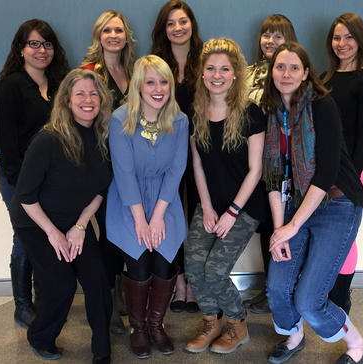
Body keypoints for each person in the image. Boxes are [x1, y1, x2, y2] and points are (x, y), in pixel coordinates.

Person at [262, 42, 363, 364]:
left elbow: (323, 174)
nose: (286, 73)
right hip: (296, 204)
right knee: (277, 288)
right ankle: (294, 337)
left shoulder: (321, 106)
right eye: (280, 66)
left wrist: (291, 227)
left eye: (294, 67)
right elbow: (271, 174)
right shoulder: (272, 113)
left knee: (309, 299)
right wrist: (280, 228)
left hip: (337, 205)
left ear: (306, 73)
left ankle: (358, 344)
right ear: (272, 71)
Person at [9, 69, 113, 364]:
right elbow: (26, 197)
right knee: (61, 284)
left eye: (93, 94)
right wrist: (54, 234)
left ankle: (102, 351)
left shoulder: (103, 137)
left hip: (74, 220)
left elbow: (102, 189)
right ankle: (40, 337)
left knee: (97, 280)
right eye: (80, 93)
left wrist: (80, 226)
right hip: (36, 221)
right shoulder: (48, 139)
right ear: (67, 99)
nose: (88, 100)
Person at [184, 38, 267, 354]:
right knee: (194, 266)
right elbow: (197, 164)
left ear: (235, 74)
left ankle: (237, 324)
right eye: (210, 68)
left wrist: (231, 211)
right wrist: (206, 207)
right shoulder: (196, 112)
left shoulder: (250, 112)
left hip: (244, 207)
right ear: (202, 73)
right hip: (209, 203)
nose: (217, 75)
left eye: (224, 69)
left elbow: (255, 171)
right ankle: (210, 322)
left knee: (215, 270)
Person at [106, 55, 188, 358]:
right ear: (138, 86)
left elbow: (176, 169)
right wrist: (142, 221)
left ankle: (156, 325)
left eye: (164, 81)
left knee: (165, 265)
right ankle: (138, 328)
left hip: (165, 203)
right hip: (130, 204)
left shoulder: (179, 119)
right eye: (150, 81)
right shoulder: (120, 119)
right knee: (139, 266)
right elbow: (124, 174)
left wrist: (158, 218)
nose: (158, 88)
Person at [0, 18, 69, 329]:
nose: (41, 50)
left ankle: (44, 298)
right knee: (25, 237)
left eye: (47, 44)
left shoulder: (61, 83)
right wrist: (22, 185)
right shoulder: (11, 85)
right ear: (21, 49)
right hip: (18, 179)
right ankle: (23, 305)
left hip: (52, 179)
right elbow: (5, 143)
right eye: (34, 44)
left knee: (46, 237)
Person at [81, 9, 137, 335]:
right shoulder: (90, 72)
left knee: (124, 232)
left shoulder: (131, 71)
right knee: (108, 235)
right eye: (107, 30)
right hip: (102, 164)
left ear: (126, 36)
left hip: (129, 165)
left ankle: (121, 294)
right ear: (98, 36)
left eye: (118, 30)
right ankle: (108, 304)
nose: (113, 35)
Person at [322, 13, 363, 315]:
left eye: (349, 37)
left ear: (360, 41)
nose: (342, 44)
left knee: (345, 235)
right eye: (337, 37)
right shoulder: (325, 77)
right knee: (326, 233)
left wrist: (349, 181)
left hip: (349, 173)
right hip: (322, 170)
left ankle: (341, 294)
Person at [151, 0, 203, 314]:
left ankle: (196, 283)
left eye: (182, 21)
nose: (178, 28)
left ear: (191, 25)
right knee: (171, 215)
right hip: (166, 152)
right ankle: (178, 283)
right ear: (164, 29)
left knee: (197, 216)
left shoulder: (206, 59)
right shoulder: (156, 64)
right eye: (171, 23)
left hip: (201, 152)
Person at [243, 14, 297, 314]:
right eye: (266, 35)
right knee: (265, 227)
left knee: (284, 226)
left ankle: (283, 290)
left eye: (278, 36)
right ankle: (269, 288)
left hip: (283, 165)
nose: (270, 41)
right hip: (254, 163)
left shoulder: (294, 75)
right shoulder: (248, 73)